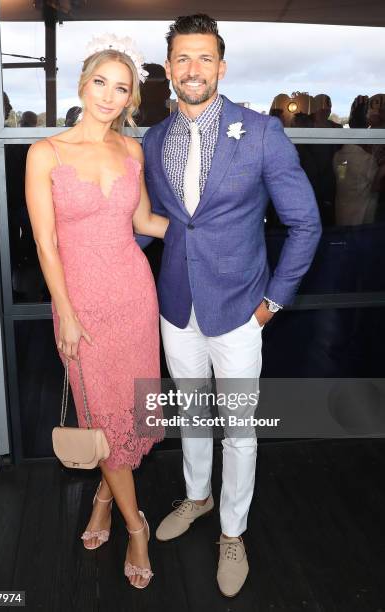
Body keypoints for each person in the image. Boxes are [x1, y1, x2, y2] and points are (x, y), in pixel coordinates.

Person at [141, 14, 322, 598]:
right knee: (191, 416)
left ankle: (233, 532)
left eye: (204, 58)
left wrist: (271, 303)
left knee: (239, 430)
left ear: (221, 65)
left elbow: (305, 224)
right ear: (169, 68)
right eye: (182, 59)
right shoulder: (153, 139)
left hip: (242, 311)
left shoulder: (262, 132)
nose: (193, 70)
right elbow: (156, 227)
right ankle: (197, 497)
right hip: (177, 310)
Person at [25, 35, 168, 589]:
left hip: (134, 294)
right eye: (101, 83)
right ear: (82, 84)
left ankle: (106, 499)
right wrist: (67, 311)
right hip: (80, 301)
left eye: (122, 87)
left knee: (129, 412)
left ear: (131, 98)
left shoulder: (131, 151)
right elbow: (45, 244)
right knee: (101, 415)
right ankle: (137, 526)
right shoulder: (47, 152)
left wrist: (210, 230)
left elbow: (145, 223)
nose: (109, 96)